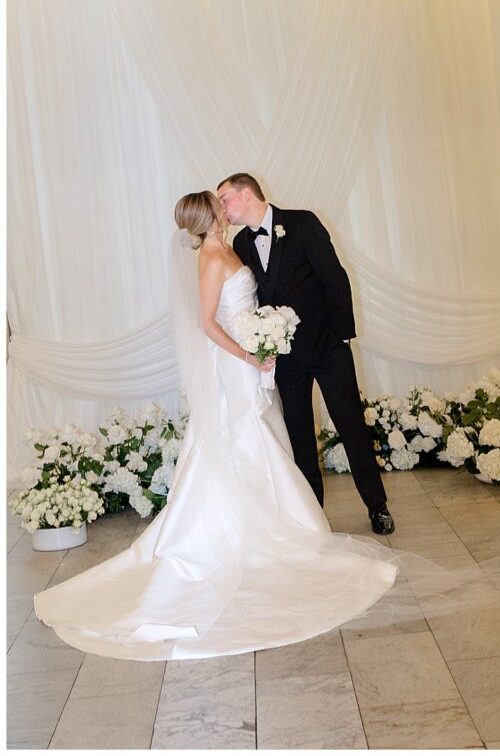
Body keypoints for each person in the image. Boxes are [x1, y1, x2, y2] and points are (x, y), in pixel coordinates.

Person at [33, 192, 414, 660]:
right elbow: (208, 323)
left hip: (293, 353)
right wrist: (251, 353)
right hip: (244, 363)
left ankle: (341, 511)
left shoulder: (256, 238)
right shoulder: (217, 254)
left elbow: (316, 282)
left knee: (300, 435)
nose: (225, 207)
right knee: (264, 440)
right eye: (219, 204)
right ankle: (266, 528)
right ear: (211, 215)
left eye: (226, 198)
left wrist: (290, 334)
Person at [217, 173, 394, 535]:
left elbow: (335, 277)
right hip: (285, 358)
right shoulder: (241, 244)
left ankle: (377, 506)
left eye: (224, 199)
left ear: (246, 193)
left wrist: (343, 336)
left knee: (351, 427)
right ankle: (313, 515)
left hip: (328, 347)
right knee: (299, 434)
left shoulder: (301, 222)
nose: (222, 208)